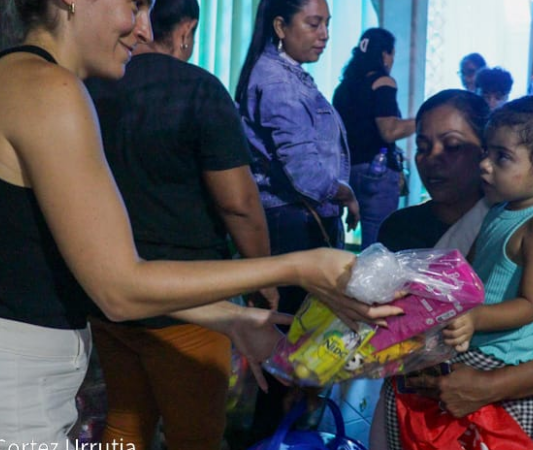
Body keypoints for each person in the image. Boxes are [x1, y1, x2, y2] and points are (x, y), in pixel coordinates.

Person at [0, 0, 401, 448]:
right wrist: (298, 265)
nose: (145, 29)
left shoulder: (31, 81)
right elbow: (118, 288)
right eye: (133, 5)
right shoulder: (45, 88)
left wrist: (229, 318)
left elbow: (83, 269)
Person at [84, 0, 278, 448]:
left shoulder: (92, 88)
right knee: (196, 437)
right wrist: (264, 276)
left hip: (112, 296)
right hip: (190, 299)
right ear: (186, 29)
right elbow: (239, 204)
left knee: (125, 424)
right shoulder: (199, 90)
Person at [367, 90, 533, 450]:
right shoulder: (401, 228)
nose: (433, 159)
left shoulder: (531, 223)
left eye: (453, 146)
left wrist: (487, 386)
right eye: (423, 146)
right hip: (418, 409)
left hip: (499, 392)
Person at [234, 0, 362, 441]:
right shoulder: (275, 80)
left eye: (327, 23)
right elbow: (305, 173)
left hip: (299, 224)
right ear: (280, 26)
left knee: (297, 349)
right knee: (290, 351)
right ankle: (272, 437)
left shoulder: (285, 74)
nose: (324, 34)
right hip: (292, 229)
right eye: (313, 23)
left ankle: (280, 433)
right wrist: (344, 192)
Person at [333, 28, 415, 250]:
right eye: (391, 54)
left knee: (342, 240)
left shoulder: (344, 87)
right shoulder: (383, 82)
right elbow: (388, 130)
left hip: (347, 173)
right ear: (384, 54)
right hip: (376, 174)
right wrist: (421, 121)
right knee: (377, 245)